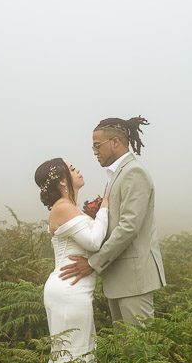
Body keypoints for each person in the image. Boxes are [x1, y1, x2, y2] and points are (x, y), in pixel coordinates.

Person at [59, 116, 165, 326]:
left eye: (97, 146)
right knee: (124, 351)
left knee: (140, 350)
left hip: (134, 279)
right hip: (120, 278)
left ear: (115, 142)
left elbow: (129, 227)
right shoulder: (118, 174)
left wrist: (92, 263)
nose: (95, 152)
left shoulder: (134, 172)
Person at [35, 157, 109, 363]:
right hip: (69, 289)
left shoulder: (70, 208)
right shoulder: (63, 208)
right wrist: (105, 207)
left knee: (78, 354)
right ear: (63, 181)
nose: (78, 169)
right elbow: (94, 241)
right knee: (74, 356)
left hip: (72, 288)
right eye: (72, 168)